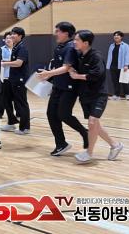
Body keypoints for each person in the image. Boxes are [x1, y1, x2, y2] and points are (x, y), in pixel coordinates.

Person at [70, 30, 124, 163]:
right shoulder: (79, 55)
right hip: (85, 95)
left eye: (77, 40)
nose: (74, 42)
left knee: (92, 122)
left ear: (86, 43)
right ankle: (115, 145)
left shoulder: (96, 56)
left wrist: (77, 76)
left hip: (98, 94)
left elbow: (96, 75)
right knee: (95, 125)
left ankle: (89, 153)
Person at [37, 22, 89, 156]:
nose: (56, 34)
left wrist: (48, 73)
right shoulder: (59, 47)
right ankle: (61, 144)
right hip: (58, 86)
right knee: (51, 114)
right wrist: (48, 75)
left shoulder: (71, 47)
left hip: (69, 87)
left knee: (64, 114)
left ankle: (85, 133)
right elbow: (58, 67)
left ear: (66, 33)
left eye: (58, 31)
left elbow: (66, 68)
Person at [1, 27, 31, 135]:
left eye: (14, 34)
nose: (12, 36)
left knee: (21, 103)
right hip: (12, 79)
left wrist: (4, 63)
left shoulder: (22, 48)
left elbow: (18, 63)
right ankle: (11, 122)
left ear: (20, 36)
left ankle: (25, 128)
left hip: (19, 80)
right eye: (11, 33)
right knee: (6, 99)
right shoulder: (15, 47)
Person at [0, 31, 18, 126]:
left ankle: (18, 116)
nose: (8, 39)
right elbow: (0, 61)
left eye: (10, 38)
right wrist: (11, 61)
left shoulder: (17, 49)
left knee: (17, 98)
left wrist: (9, 62)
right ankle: (5, 115)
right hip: (5, 77)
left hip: (15, 77)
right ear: (4, 40)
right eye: (6, 38)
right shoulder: (1, 49)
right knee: (5, 99)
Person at [106, 31, 129, 101]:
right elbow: (109, 56)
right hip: (113, 66)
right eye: (115, 35)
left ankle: (127, 94)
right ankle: (116, 95)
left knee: (124, 81)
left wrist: (126, 65)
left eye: (118, 35)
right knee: (115, 82)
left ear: (121, 37)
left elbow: (127, 55)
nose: (116, 36)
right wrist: (108, 65)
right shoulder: (111, 45)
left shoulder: (125, 45)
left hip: (122, 66)